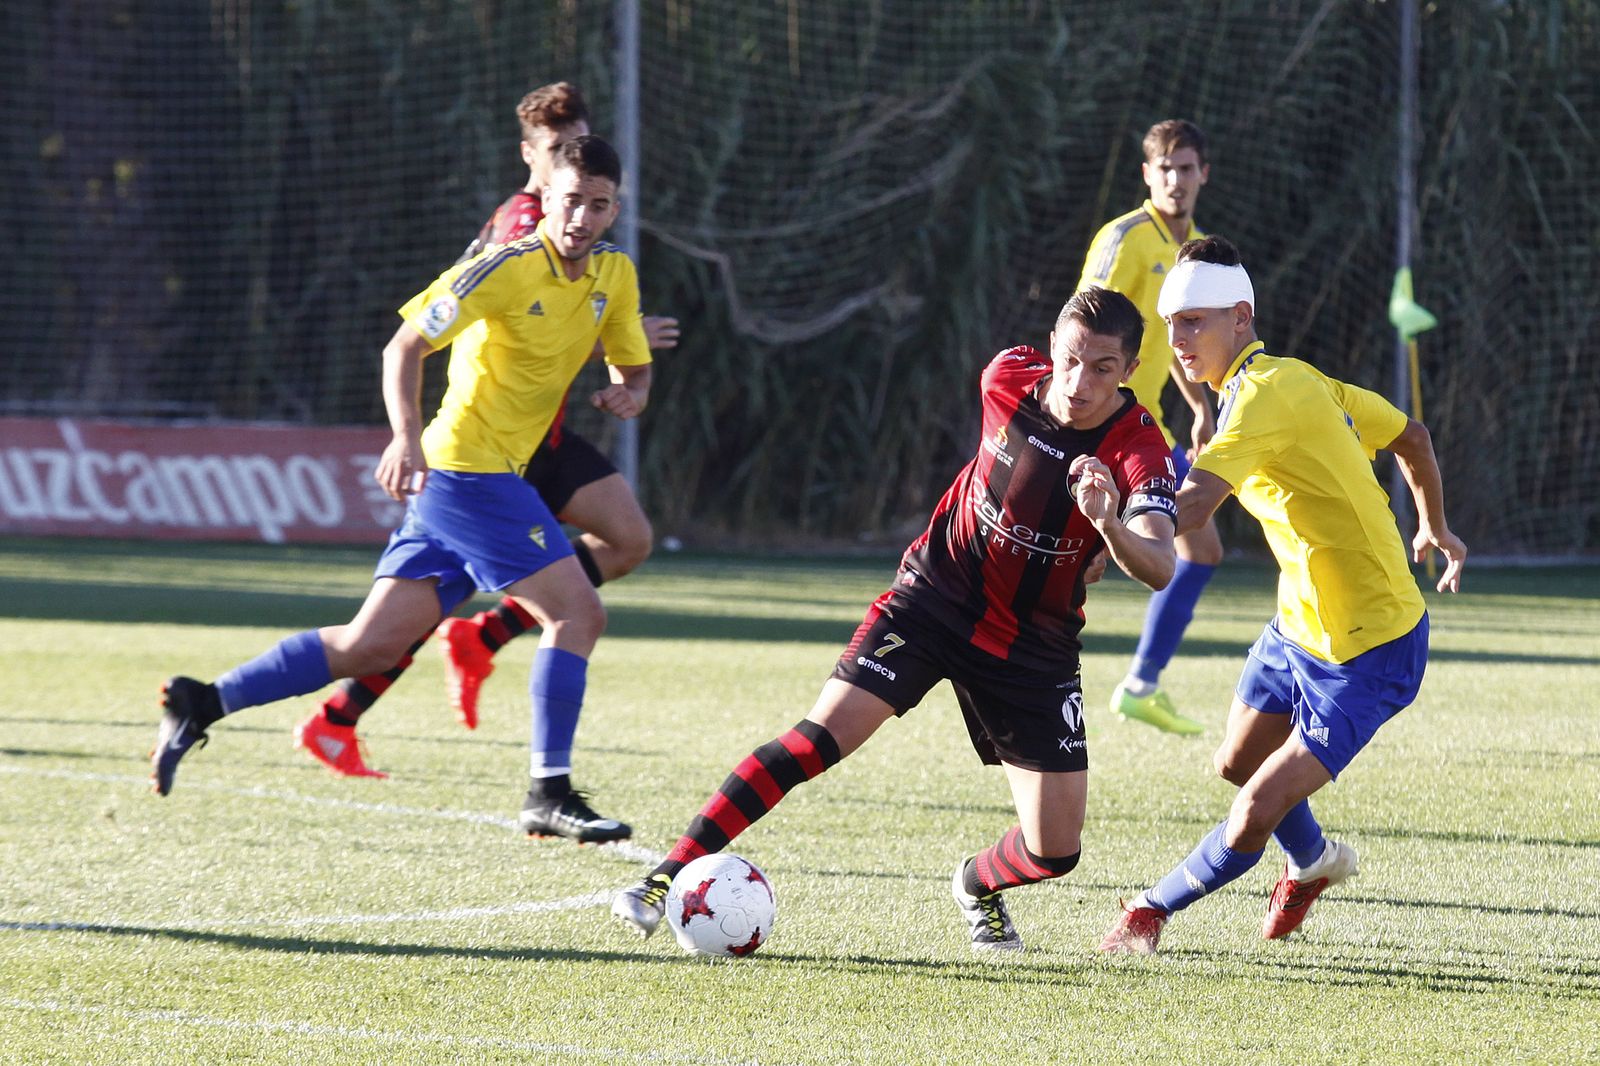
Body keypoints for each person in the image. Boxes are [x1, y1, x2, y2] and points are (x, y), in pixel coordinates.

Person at [612, 287, 1179, 952]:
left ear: (1130, 371)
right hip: (933, 598)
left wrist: (1107, 524)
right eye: (1071, 360)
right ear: (1051, 348)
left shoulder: (1138, 447)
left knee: (1054, 852)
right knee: (817, 738)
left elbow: (1161, 564)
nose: (1079, 383)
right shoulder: (1006, 379)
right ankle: (665, 876)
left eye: (1102, 368)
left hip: (1033, 645)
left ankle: (976, 883)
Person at [152, 136, 652, 844]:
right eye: (571, 200)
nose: (581, 217)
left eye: (597, 205)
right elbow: (405, 347)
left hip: (481, 481)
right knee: (578, 615)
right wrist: (404, 437)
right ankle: (548, 791)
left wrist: (630, 390)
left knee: (369, 647)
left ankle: (205, 701)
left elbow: (632, 361)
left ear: (613, 209)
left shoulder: (614, 275)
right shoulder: (503, 269)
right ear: (548, 199)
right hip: (465, 474)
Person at [293, 82, 679, 781]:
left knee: (627, 538)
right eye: (560, 149)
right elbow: (519, 325)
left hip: (544, 434)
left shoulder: (578, 223)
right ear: (532, 155)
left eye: (582, 146)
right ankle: (343, 716)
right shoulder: (525, 225)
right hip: (493, 443)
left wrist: (628, 360)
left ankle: (481, 638)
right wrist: (605, 342)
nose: (576, 158)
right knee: (437, 594)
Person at [1097, 236, 1467, 954]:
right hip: (1296, 628)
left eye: (1194, 322)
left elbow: (1194, 503)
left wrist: (1106, 529)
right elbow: (1412, 436)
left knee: (1254, 807)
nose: (1179, 340)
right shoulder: (1286, 381)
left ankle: (1148, 913)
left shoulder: (1265, 396)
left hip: (1371, 651)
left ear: (1241, 318)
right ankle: (1316, 861)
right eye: (1172, 325)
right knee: (1235, 764)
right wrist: (1435, 527)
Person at [1079, 119, 1220, 736]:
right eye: (1165, 169)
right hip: (1116, 426)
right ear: (1147, 175)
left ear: (1203, 174)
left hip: (1155, 423)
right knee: (1187, 546)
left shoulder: (1199, 250)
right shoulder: (1126, 237)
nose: (1176, 180)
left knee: (1201, 547)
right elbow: (1079, 325)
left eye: (1186, 168)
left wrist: (1201, 407)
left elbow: (1178, 339)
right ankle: (1135, 680)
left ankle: (1141, 683)